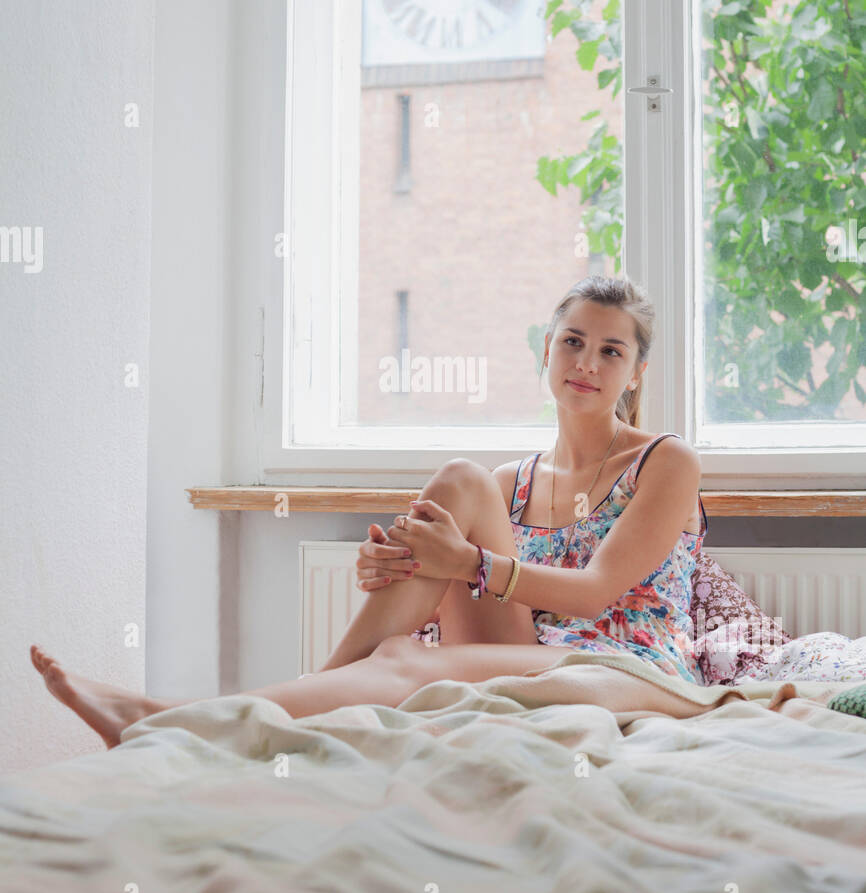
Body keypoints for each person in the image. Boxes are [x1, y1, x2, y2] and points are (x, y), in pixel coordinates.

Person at [32, 274, 801, 749]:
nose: (587, 363)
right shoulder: (513, 481)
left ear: (636, 371)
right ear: (546, 352)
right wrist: (399, 565)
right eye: (572, 342)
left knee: (404, 661)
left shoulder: (665, 461)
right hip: (531, 644)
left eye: (610, 351)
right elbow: (472, 575)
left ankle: (181, 716)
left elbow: (598, 591)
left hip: (622, 662)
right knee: (464, 480)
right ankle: (296, 696)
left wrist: (463, 564)